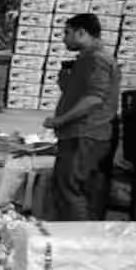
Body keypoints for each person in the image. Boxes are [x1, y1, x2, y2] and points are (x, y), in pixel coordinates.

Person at [45, 13, 119, 221]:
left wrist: (61, 120)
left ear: (81, 33)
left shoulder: (97, 59)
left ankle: (77, 234)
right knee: (77, 189)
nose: (64, 39)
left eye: (67, 33)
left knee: (70, 190)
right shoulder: (87, 59)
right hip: (83, 134)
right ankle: (81, 232)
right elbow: (83, 94)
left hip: (85, 134)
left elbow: (94, 99)